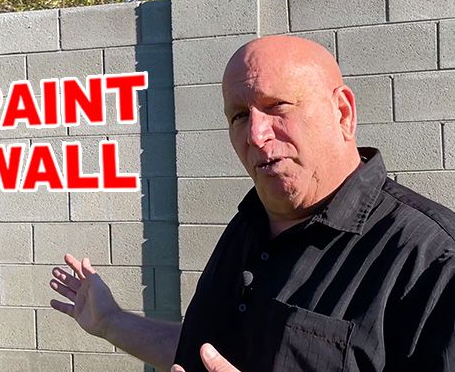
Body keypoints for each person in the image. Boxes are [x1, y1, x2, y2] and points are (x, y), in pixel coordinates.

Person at [49, 35, 455, 372]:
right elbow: (205, 350)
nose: (256, 134)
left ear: (343, 113)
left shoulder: (433, 261)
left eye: (277, 106)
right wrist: (112, 322)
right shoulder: (248, 228)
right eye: (240, 116)